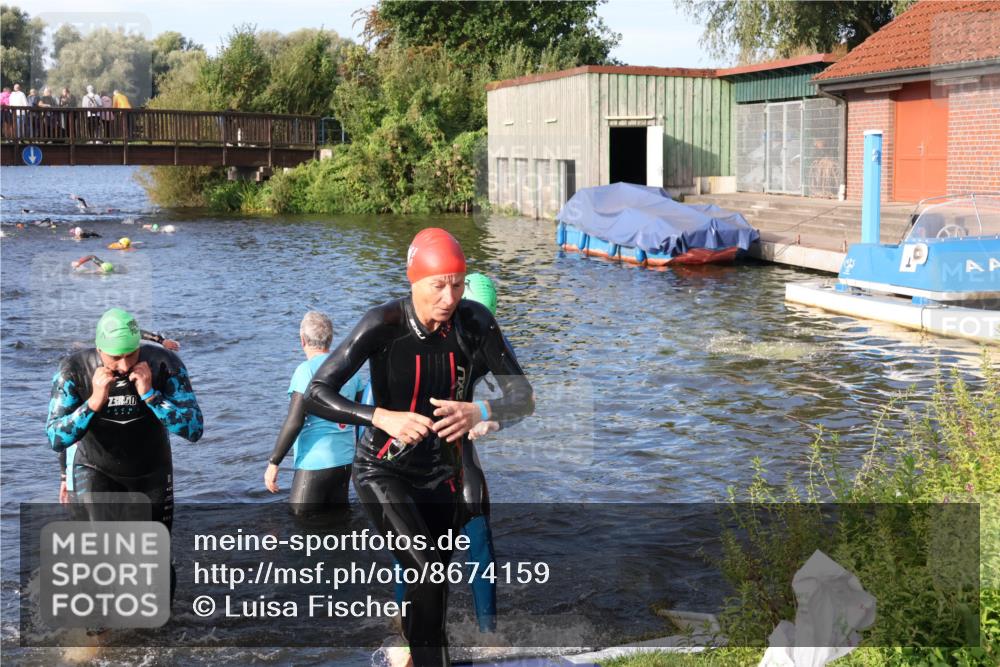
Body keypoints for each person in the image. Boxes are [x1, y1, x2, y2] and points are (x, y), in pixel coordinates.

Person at [305, 228, 534, 667]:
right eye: (438, 285)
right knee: (426, 569)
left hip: (443, 476)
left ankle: (411, 656)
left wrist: (481, 410)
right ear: (414, 281)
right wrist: (379, 416)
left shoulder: (476, 323)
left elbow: (525, 397)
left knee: (433, 585)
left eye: (457, 283)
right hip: (383, 469)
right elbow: (317, 391)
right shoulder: (382, 324)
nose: (449, 297)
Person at [47, 307, 203, 543]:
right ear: (99, 350)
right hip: (94, 471)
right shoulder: (74, 370)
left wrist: (152, 396)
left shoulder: (164, 363)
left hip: (152, 474)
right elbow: (56, 438)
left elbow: (194, 430)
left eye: (131, 354)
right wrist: (93, 403)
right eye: (115, 357)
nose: (123, 365)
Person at [264, 312, 364, 517]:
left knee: (301, 526)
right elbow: (362, 414)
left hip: (314, 463)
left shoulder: (305, 371)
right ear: (331, 338)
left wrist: (274, 462)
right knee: (338, 526)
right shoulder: (349, 369)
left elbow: (295, 420)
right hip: (345, 462)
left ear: (302, 340)